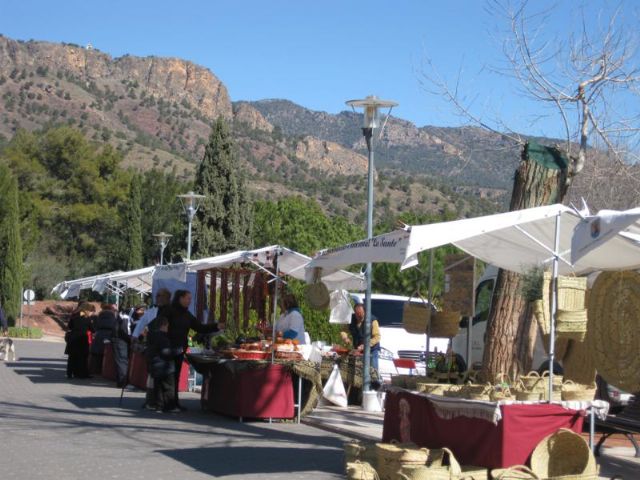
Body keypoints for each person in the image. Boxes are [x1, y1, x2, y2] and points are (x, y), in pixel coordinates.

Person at [167, 290, 219, 410]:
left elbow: (199, 327)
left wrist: (216, 326)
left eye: (190, 298)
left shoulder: (187, 314)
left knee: (176, 376)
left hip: (180, 349)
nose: (190, 301)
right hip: (169, 347)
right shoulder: (169, 311)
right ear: (180, 298)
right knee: (170, 375)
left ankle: (174, 402)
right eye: (187, 298)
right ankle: (168, 403)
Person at [146, 316, 182, 413]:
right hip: (165, 366)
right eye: (167, 326)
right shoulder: (163, 338)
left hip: (155, 365)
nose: (167, 328)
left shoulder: (151, 336)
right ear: (163, 325)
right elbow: (165, 352)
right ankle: (170, 406)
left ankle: (159, 406)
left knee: (158, 388)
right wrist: (178, 351)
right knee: (168, 387)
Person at [341, 301, 381, 372]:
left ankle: (375, 382)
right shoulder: (351, 319)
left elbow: (377, 337)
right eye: (357, 314)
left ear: (365, 312)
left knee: (373, 371)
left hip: (371, 350)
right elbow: (343, 330)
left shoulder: (372, 320)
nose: (358, 316)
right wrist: (345, 337)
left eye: (360, 313)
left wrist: (365, 345)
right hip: (358, 350)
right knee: (358, 371)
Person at [65, 302, 95, 379]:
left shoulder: (74, 316)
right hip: (82, 339)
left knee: (72, 357)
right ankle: (81, 374)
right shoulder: (87, 318)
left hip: (73, 339)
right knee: (82, 358)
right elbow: (92, 329)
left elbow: (70, 327)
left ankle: (69, 373)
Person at [90, 303, 117, 374]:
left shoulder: (100, 315)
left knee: (97, 353)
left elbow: (96, 325)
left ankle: (96, 369)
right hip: (109, 334)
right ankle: (105, 370)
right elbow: (114, 326)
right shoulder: (113, 316)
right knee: (107, 352)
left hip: (99, 334)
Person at [112, 306, 131, 388]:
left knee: (121, 361)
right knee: (122, 361)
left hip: (118, 339)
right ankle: (123, 382)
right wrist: (130, 339)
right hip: (120, 340)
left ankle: (121, 381)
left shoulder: (122, 315)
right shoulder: (126, 317)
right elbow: (124, 330)